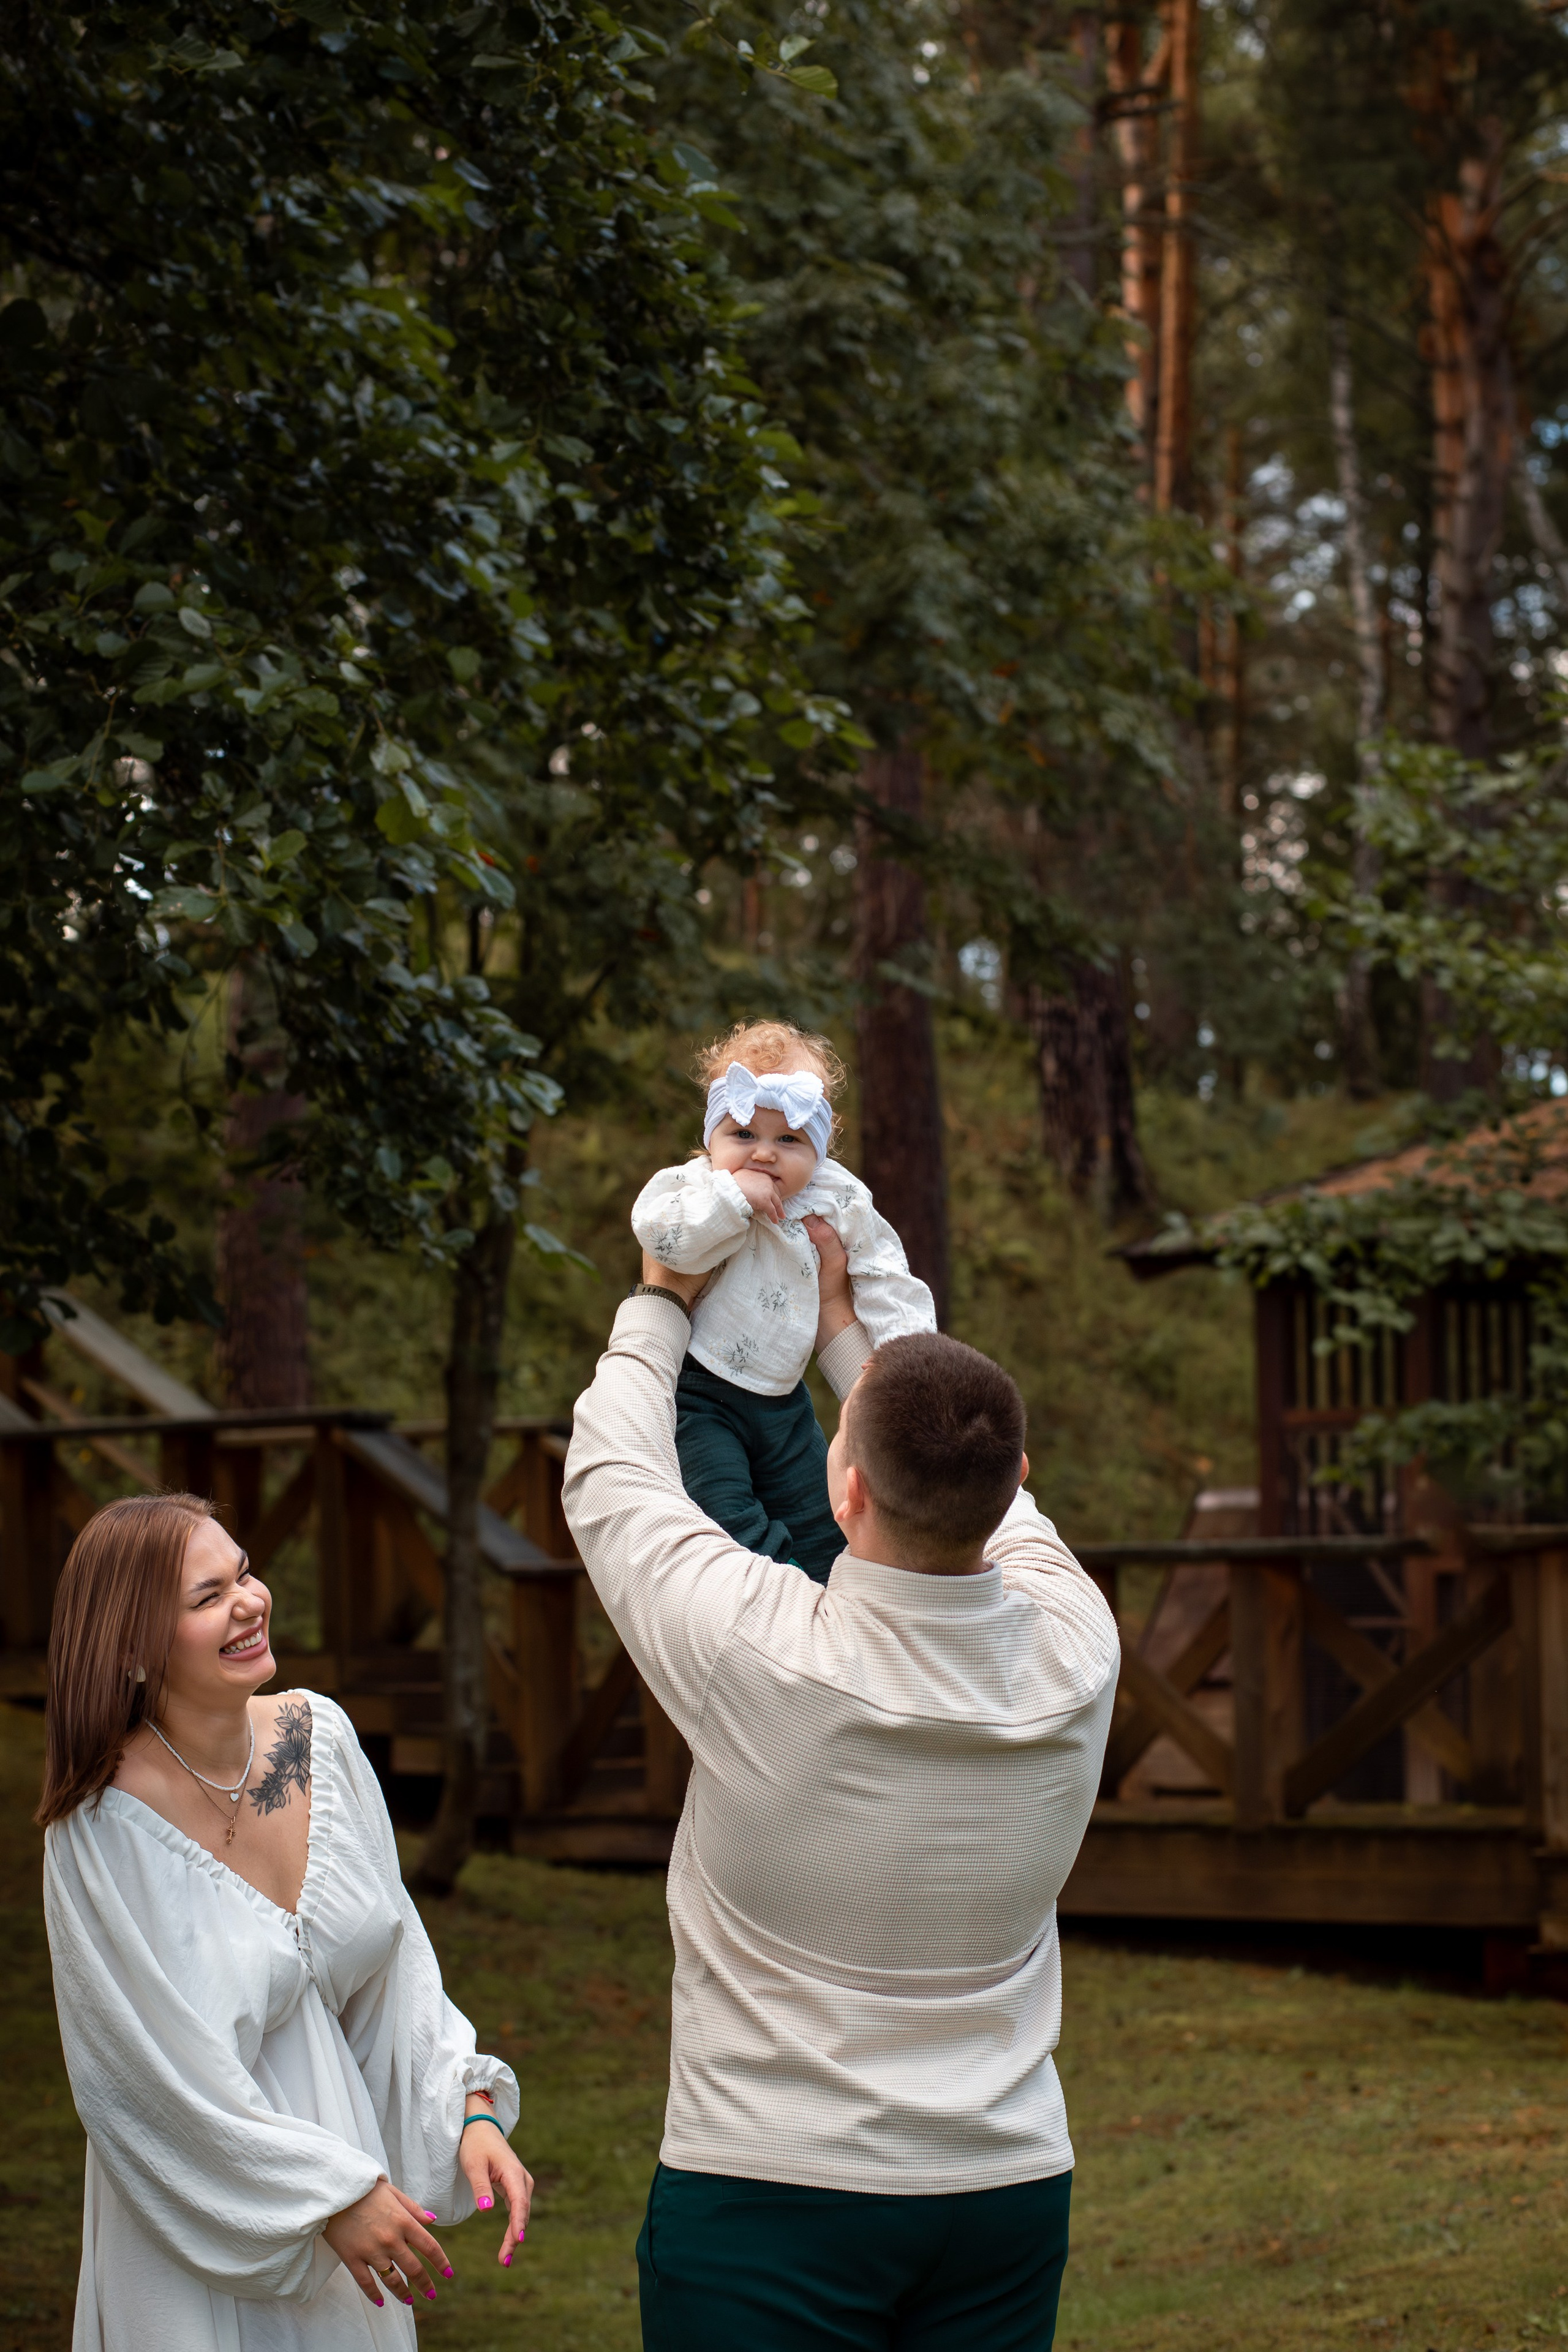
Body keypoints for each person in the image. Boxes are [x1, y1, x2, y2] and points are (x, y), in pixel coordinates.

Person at [564, 1219, 1120, 2350]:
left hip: (769, 2191)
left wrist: (662, 1298)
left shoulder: (754, 1647)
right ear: (1017, 1481)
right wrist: (846, 1331)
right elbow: (994, 1493)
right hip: (1004, 2192)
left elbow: (614, 1475)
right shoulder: (1079, 1643)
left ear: (846, 1486)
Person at [39, 1491, 533, 2351]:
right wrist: (325, 2197)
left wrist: (471, 2108)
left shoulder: (324, 1740)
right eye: (206, 1596)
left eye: (245, 1574)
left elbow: (395, 1971)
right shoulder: (98, 1827)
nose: (249, 1601)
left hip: (352, 2212)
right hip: (195, 2220)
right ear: (131, 1649)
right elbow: (142, 2079)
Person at [630, 1017, 935, 1581]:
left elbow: (885, 1274)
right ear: (710, 1138)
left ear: (818, 1150)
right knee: (725, 1518)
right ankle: (776, 1603)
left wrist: (907, 1361)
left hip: (784, 1397)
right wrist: (731, 1198)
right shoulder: (698, 1186)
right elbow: (660, 1236)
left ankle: (831, 1603)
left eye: (788, 1140)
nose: (764, 1155)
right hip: (701, 1390)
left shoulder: (837, 1194)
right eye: (743, 1135)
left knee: (825, 1523)